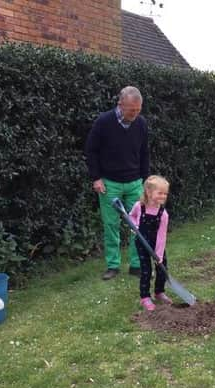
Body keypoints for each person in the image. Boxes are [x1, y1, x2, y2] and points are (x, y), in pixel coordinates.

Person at [85, 86, 150, 280]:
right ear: (120, 104)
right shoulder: (103, 122)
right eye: (132, 110)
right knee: (111, 225)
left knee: (138, 225)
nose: (135, 114)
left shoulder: (141, 123)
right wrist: (96, 178)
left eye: (138, 110)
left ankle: (136, 265)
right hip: (109, 183)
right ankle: (113, 265)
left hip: (135, 183)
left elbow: (144, 153)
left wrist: (145, 181)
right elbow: (91, 151)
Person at [128, 175, 172, 311]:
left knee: (162, 268)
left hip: (157, 244)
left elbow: (161, 236)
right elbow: (131, 216)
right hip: (141, 243)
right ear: (148, 192)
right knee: (146, 270)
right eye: (160, 193)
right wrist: (134, 226)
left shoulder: (163, 214)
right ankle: (145, 296)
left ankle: (159, 292)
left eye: (165, 194)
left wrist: (158, 255)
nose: (163, 196)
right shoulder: (139, 207)